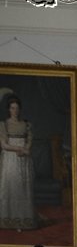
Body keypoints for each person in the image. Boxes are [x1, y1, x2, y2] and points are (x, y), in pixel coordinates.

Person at [0, 97, 37, 231]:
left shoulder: (26, 124)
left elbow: (29, 140)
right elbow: (4, 145)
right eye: (12, 108)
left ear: (20, 109)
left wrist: (26, 149)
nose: (15, 111)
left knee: (23, 188)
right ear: (9, 109)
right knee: (12, 187)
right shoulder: (4, 124)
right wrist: (19, 149)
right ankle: (11, 220)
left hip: (24, 159)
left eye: (17, 108)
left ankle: (22, 220)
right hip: (11, 159)